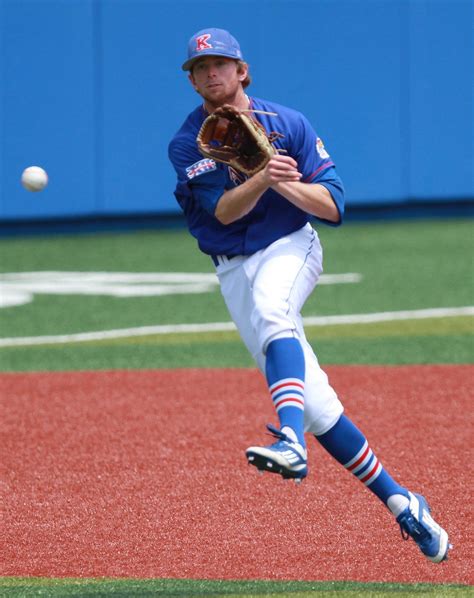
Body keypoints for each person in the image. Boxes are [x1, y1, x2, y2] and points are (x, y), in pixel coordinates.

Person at [168, 27, 451, 563]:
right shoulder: (187, 141)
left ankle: (290, 442)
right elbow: (224, 211)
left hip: (291, 245)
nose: (210, 73)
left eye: (219, 63)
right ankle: (402, 502)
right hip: (232, 270)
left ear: (241, 69)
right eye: (199, 67)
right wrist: (260, 175)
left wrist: (278, 181)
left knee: (275, 308)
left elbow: (333, 205)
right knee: (318, 405)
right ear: (192, 79)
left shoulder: (287, 123)